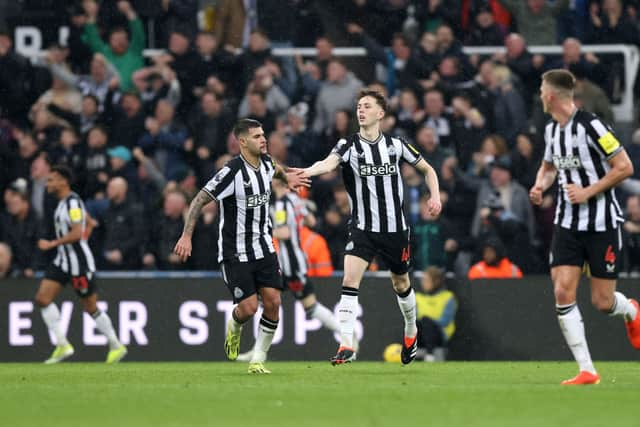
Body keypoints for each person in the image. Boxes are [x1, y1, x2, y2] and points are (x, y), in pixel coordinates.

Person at [297, 89, 442, 365]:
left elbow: (428, 169)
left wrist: (434, 195)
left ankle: (411, 330)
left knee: (401, 283)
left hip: (395, 229)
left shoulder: (396, 145)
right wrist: (305, 172)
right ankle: (347, 342)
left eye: (366, 106)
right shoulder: (348, 145)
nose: (360, 110)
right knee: (349, 281)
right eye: (358, 107)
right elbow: (328, 163)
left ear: (380, 113)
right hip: (362, 227)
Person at [530, 69, 640, 385]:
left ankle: (631, 309)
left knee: (603, 303)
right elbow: (549, 167)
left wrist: (588, 192)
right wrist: (540, 185)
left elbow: (625, 167)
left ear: (551, 95)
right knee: (563, 290)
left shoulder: (592, 126)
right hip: (567, 223)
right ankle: (587, 369)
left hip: (602, 223)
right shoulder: (552, 131)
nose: (539, 95)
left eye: (541, 90)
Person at [174, 119, 308, 374]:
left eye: (263, 134)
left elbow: (275, 169)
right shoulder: (232, 172)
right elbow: (199, 199)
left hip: (264, 247)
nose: (263, 139)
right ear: (242, 142)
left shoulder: (267, 163)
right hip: (236, 252)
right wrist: (186, 236)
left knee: (273, 302)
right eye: (257, 136)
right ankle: (234, 327)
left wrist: (287, 177)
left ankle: (258, 359)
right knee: (248, 308)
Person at [237, 176, 341, 362]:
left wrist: (263, 233)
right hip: (293, 263)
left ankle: (348, 336)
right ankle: (257, 351)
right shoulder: (296, 200)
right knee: (268, 303)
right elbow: (310, 221)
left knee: (307, 306)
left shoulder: (280, 205)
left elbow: (284, 232)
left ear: (275, 183)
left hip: (289, 266)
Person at [34, 165, 127, 364]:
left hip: (79, 264)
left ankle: (116, 345)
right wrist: (79, 238)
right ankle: (62, 344)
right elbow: (90, 223)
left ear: (63, 181)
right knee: (42, 299)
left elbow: (77, 233)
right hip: (62, 262)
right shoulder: (62, 203)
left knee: (90, 307)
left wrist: (52, 243)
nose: (48, 184)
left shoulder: (73, 203)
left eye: (51, 180)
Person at [415, 267, 457, 362]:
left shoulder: (447, 297)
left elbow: (445, 321)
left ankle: (430, 354)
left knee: (427, 322)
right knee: (414, 324)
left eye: (426, 280)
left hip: (440, 334)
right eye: (423, 280)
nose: (423, 283)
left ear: (436, 281)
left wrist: (428, 321)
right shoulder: (418, 297)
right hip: (422, 333)